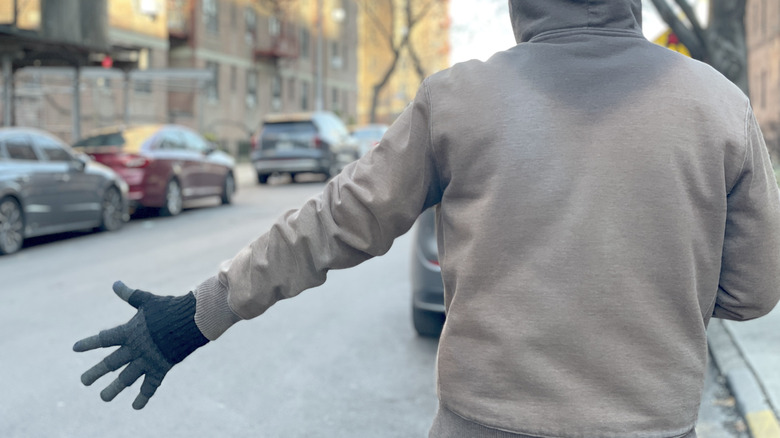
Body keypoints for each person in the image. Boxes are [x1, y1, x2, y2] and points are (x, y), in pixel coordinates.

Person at [74, 0, 780, 436]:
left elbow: (330, 224)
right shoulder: (719, 108)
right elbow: (752, 294)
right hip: (654, 425)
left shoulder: (459, 101)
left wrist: (194, 317)